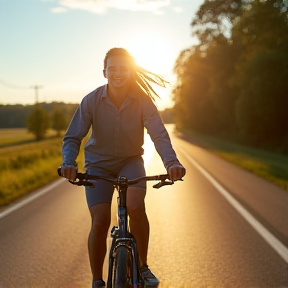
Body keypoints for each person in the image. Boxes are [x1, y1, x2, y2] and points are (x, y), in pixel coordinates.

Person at [60, 47, 186, 288]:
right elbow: (73, 137)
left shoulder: (142, 101)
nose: (118, 73)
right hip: (98, 165)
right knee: (99, 221)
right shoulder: (92, 100)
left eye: (123, 69)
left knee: (136, 208)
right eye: (113, 69)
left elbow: (159, 135)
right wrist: (68, 162)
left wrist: (172, 163)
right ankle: (97, 281)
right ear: (105, 72)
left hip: (130, 162)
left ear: (130, 72)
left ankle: (143, 266)